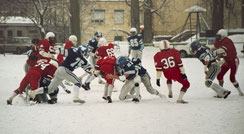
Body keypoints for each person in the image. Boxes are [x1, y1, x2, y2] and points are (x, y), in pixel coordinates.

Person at [33, 45, 100, 104]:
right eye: (86, 51)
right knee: (78, 82)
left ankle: (33, 92)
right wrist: (94, 72)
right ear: (83, 51)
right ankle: (76, 97)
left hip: (59, 70)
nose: (87, 53)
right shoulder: (82, 60)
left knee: (50, 89)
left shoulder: (73, 51)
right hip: (65, 70)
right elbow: (88, 69)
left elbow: (61, 51)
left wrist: (51, 52)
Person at [213, 29, 243, 96]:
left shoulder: (227, 41)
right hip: (227, 60)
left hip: (233, 61)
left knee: (232, 78)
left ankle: (240, 92)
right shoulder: (219, 41)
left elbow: (223, 50)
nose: (218, 38)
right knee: (219, 75)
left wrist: (216, 52)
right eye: (217, 36)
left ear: (224, 36)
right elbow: (216, 47)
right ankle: (221, 91)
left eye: (219, 36)